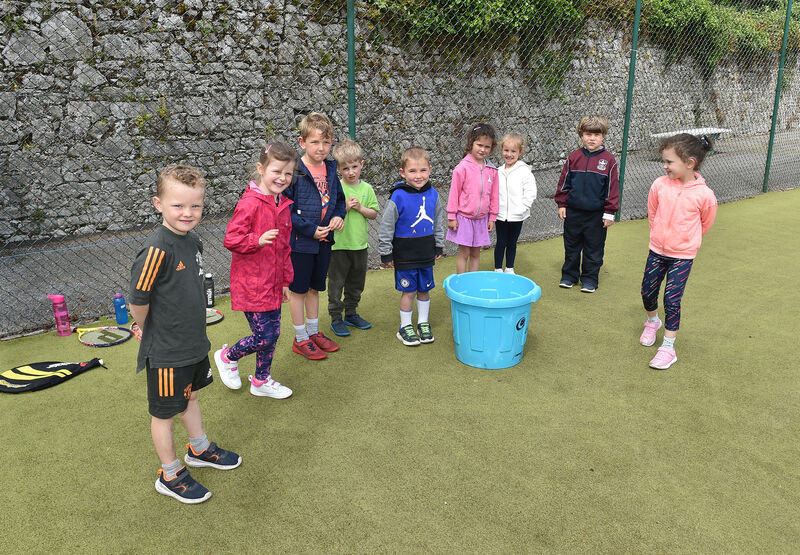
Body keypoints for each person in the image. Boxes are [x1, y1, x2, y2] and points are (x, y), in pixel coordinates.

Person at [129, 165, 241, 505]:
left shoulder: (192, 241)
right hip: (166, 352)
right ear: (158, 204)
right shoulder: (155, 249)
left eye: (195, 206)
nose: (187, 213)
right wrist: (145, 328)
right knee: (164, 412)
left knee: (191, 397)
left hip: (194, 345)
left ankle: (199, 448)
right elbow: (138, 299)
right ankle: (170, 473)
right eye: (178, 205)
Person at [213, 142, 296, 398]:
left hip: (272, 283)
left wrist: (285, 281)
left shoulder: (281, 204)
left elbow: (284, 247)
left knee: (274, 334)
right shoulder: (250, 203)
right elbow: (231, 239)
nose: (282, 178)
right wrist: (256, 241)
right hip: (251, 284)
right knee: (264, 337)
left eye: (288, 173)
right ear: (261, 169)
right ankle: (227, 356)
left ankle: (261, 381)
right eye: (277, 171)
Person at [639, 133, 717, 370]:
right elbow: (653, 212)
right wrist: (659, 235)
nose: (665, 166)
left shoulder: (705, 195)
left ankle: (668, 348)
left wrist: (686, 241)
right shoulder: (659, 185)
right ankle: (652, 321)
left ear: (690, 163)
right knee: (647, 292)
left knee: (672, 299)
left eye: (670, 162)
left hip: (683, 256)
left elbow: (706, 222)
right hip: (657, 250)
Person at [285, 112, 346, 360]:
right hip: (301, 243)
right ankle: (300, 339)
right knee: (298, 290)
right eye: (315, 142)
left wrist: (338, 217)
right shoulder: (294, 171)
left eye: (326, 142)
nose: (321, 148)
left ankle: (313, 333)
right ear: (302, 143)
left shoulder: (331, 169)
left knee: (314, 288)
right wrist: (309, 229)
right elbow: (285, 210)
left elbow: (339, 201)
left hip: (324, 242)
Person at [379, 146, 445, 346]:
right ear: (403, 173)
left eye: (423, 170)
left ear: (430, 170)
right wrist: (385, 253)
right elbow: (386, 226)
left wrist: (439, 245)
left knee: (424, 290)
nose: (418, 176)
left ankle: (423, 323)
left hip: (425, 253)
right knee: (408, 291)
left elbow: (438, 220)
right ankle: (405, 326)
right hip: (404, 256)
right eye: (413, 171)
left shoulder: (433, 194)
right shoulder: (397, 196)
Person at [554, 115, 620, 293]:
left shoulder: (609, 161)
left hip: (596, 216)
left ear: (603, 136)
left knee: (594, 248)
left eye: (597, 135)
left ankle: (590, 279)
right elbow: (564, 182)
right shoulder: (574, 157)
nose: (592, 138)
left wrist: (609, 212)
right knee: (571, 245)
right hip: (573, 213)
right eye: (588, 134)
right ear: (581, 135)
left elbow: (612, 189)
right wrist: (562, 204)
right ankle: (569, 276)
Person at [327, 139, 380, 337]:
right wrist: (345, 208)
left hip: (359, 246)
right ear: (339, 169)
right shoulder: (336, 189)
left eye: (354, 167)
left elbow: (373, 213)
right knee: (336, 283)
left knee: (356, 283)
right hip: (338, 246)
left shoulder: (367, 189)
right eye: (345, 168)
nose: (351, 172)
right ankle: (336, 318)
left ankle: (351, 313)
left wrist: (360, 208)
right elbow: (329, 214)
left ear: (362, 165)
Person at [446, 123, 499, 273]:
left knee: (476, 254)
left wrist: (492, 218)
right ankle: (462, 285)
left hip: (482, 220)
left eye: (487, 147)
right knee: (464, 253)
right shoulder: (461, 168)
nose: (483, 149)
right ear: (471, 143)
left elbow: (494, 196)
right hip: (463, 219)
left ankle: (472, 284)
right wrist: (452, 216)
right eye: (479, 145)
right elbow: (454, 193)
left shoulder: (492, 170)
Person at [494, 132, 537, 274]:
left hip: (517, 216)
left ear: (520, 152)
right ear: (501, 150)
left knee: (512, 243)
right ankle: (498, 268)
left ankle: (509, 268)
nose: (509, 154)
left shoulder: (524, 171)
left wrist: (522, 208)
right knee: (500, 242)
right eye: (506, 150)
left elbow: (531, 192)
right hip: (500, 215)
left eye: (513, 151)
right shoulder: (497, 172)